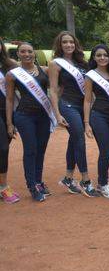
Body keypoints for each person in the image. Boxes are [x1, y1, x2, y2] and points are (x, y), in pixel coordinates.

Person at [48, 31, 98, 197]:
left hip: (81, 105)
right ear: (60, 45)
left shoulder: (82, 63)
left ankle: (68, 178)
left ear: (75, 44)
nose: (68, 45)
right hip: (67, 105)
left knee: (74, 139)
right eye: (65, 42)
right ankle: (85, 180)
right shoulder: (55, 64)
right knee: (79, 138)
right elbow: (54, 90)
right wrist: (56, 113)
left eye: (71, 42)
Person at [5, 42, 56, 202]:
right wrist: (9, 123)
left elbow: (55, 89)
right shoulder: (12, 74)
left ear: (34, 53)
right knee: (30, 150)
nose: (27, 54)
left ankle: (39, 181)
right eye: (23, 52)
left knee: (41, 150)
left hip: (43, 116)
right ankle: (32, 185)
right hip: (24, 116)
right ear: (18, 55)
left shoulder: (45, 70)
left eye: (30, 51)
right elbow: (9, 99)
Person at [84, 44, 109, 199]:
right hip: (98, 116)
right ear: (94, 58)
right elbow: (86, 101)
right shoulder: (90, 75)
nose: (102, 58)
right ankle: (102, 184)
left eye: (105, 55)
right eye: (98, 55)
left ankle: (104, 182)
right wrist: (86, 123)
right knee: (105, 150)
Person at [0, 40, 20, 203]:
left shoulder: (10, 65)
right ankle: (3, 187)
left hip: (7, 112)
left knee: (3, 149)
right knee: (2, 148)